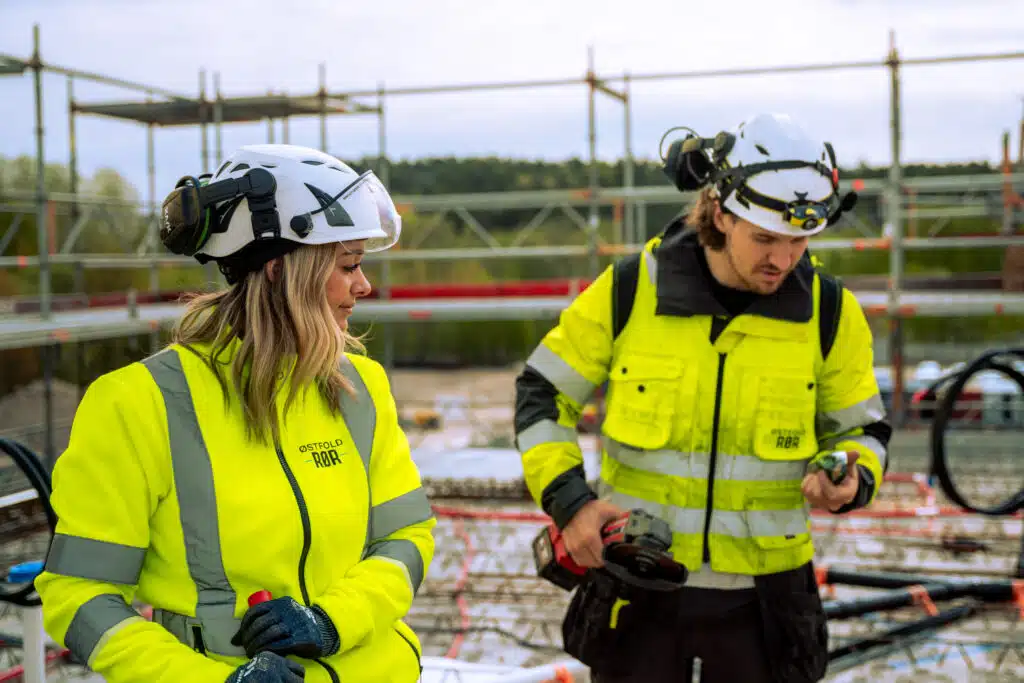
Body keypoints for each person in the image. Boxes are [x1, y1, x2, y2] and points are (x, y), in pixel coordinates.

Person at [35, 144, 436, 683]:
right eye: (348, 265)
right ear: (281, 271)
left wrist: (331, 621)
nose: (363, 285)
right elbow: (78, 594)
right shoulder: (138, 404)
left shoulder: (362, 387)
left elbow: (407, 539)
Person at [514, 113, 892, 683]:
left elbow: (863, 430)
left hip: (767, 610)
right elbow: (542, 392)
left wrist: (853, 473)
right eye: (765, 238)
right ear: (719, 212)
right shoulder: (629, 290)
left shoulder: (831, 314)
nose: (783, 260)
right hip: (639, 595)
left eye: (799, 241)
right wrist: (572, 503)